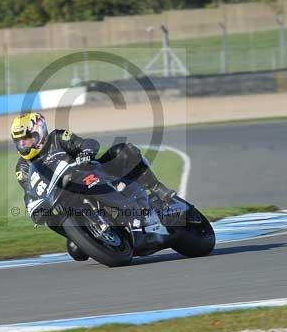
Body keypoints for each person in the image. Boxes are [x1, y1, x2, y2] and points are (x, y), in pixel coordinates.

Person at [11, 112, 177, 261]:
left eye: (27, 139)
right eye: (20, 142)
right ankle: (86, 235)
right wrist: (34, 208)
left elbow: (85, 143)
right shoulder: (22, 167)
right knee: (75, 249)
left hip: (89, 173)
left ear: (39, 132)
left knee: (123, 151)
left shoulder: (57, 138)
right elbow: (29, 191)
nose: (23, 145)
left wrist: (85, 151)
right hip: (62, 197)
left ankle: (157, 188)